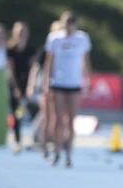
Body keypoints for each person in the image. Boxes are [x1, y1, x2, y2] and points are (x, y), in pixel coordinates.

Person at [43, 11, 91, 168]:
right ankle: (56, 151)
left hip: (74, 83)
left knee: (71, 120)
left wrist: (88, 79)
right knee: (58, 119)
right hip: (59, 82)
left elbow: (86, 60)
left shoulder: (82, 38)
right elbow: (49, 62)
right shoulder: (55, 38)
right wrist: (47, 82)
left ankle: (69, 154)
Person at [27, 20, 60, 158]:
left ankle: (53, 139)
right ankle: (39, 139)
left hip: (60, 85)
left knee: (56, 114)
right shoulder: (46, 49)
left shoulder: (64, 48)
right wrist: (31, 85)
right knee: (45, 114)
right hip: (45, 85)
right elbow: (36, 67)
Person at [6, 22, 36, 154]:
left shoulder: (31, 50)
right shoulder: (10, 50)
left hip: (29, 84)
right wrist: (16, 88)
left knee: (33, 112)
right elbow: (10, 71)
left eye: (24, 32)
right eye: (19, 32)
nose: (21, 35)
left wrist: (30, 86)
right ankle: (18, 141)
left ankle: (35, 139)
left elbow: (34, 69)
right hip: (15, 85)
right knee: (16, 113)